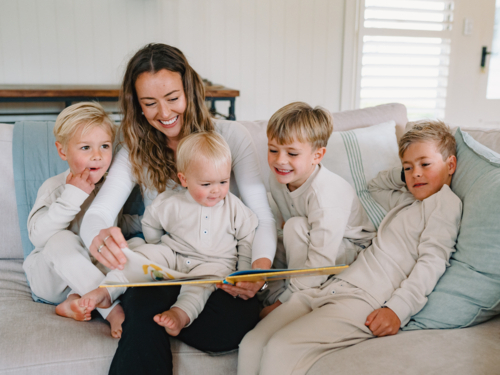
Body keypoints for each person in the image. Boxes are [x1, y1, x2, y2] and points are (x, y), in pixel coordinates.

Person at [79, 43, 276, 375]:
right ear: (137, 105)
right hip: (167, 268)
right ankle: (146, 309)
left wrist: (258, 269)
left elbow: (262, 216)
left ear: (191, 91)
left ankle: (156, 311)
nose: (164, 113)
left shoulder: (230, 136)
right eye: (149, 103)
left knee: (223, 327)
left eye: (172, 98)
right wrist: (100, 235)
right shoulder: (136, 147)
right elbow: (99, 213)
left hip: (216, 271)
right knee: (143, 298)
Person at [238, 120, 462, 375]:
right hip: (332, 286)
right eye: (408, 167)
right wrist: (406, 175)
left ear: (451, 165)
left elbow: (432, 262)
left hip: (364, 299)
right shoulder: (406, 200)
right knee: (252, 343)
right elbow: (377, 185)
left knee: (281, 347)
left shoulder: (444, 204)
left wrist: (397, 310)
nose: (416, 174)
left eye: (425, 164)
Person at [78, 131, 258, 337]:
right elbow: (150, 221)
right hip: (174, 254)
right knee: (141, 258)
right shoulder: (171, 202)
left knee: (200, 287)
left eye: (223, 182)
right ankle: (107, 291)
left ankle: (180, 315)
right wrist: (155, 245)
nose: (216, 191)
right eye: (206, 184)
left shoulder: (234, 207)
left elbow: (246, 238)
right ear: (184, 179)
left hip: (214, 263)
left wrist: (244, 272)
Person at [23, 102, 141, 338]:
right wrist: (72, 196)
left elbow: (116, 223)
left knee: (135, 247)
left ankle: (75, 301)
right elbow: (37, 235)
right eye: (86, 147)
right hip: (52, 278)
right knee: (61, 239)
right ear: (63, 151)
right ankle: (111, 310)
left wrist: (147, 224)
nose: (97, 156)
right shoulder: (54, 188)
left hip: (89, 270)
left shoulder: (108, 187)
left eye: (104, 146)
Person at [258, 102, 376, 319]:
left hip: (352, 251)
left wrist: (284, 302)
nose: (280, 160)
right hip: (312, 240)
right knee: (279, 232)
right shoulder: (278, 180)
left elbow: (321, 260)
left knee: (294, 227)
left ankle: (293, 299)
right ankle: (271, 295)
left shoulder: (325, 194)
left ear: (317, 156)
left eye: (292, 153)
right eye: (273, 150)